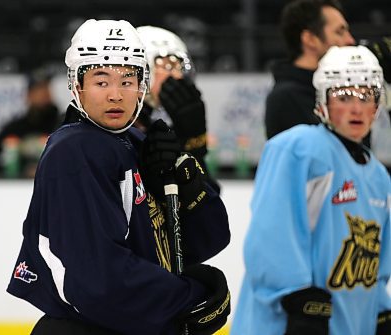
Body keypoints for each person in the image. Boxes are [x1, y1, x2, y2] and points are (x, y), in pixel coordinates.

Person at [7, 19, 231, 335]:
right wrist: (189, 298)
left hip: (129, 321)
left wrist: (187, 177)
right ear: (76, 85)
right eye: (102, 81)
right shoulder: (75, 151)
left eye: (127, 81)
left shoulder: (134, 142)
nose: (116, 95)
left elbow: (206, 239)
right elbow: (99, 280)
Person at [231, 45, 390, 335]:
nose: (356, 108)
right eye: (343, 96)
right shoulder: (298, 148)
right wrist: (298, 297)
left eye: (366, 96)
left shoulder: (379, 176)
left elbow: (376, 257)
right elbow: (272, 230)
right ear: (322, 101)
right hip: (284, 323)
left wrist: (380, 309)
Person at [135, 26, 220, 192]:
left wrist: (192, 141)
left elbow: (205, 196)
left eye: (179, 66)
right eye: (166, 65)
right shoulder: (123, 130)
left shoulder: (158, 125)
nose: (177, 76)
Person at [264, 0, 356, 141]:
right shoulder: (287, 98)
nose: (350, 40)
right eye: (340, 32)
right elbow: (342, 154)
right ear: (310, 39)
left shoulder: (335, 88)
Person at [0, 68, 64, 177]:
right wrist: (21, 173)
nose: (44, 93)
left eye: (46, 88)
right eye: (38, 89)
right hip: (18, 189)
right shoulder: (15, 128)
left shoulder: (62, 125)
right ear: (28, 95)